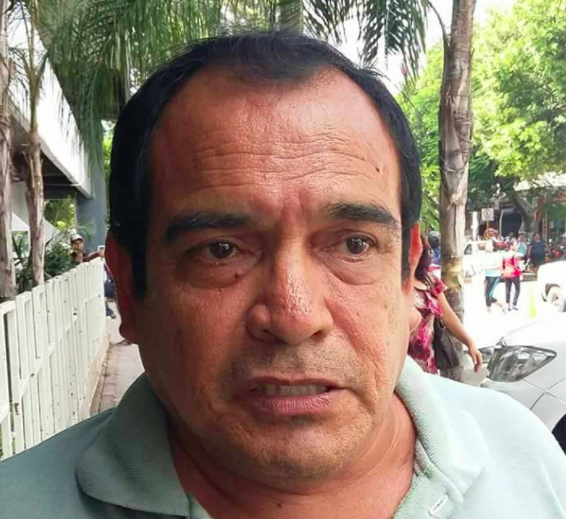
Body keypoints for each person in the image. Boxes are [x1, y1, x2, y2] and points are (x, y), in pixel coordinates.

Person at [1, 32, 565, 519]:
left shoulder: (526, 457)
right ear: (128, 288)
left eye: (353, 244)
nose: (295, 317)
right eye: (221, 250)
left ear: (407, 275)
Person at [409, 236, 482, 376]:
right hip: (401, 369)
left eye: (421, 248)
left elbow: (447, 316)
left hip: (428, 368)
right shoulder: (393, 284)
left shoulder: (429, 280)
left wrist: (470, 343)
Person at [483, 239, 505, 313]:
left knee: (488, 294)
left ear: (493, 246)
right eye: (486, 244)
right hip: (487, 276)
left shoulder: (497, 255)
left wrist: (487, 268)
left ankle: (488, 310)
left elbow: (499, 266)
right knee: (487, 295)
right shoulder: (484, 255)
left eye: (489, 244)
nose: (487, 245)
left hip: (494, 276)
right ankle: (502, 306)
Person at [502, 239, 522, 311]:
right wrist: (521, 274)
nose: (517, 246)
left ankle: (507, 304)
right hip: (514, 273)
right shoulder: (515, 254)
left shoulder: (505, 254)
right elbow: (516, 265)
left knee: (507, 290)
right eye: (515, 245)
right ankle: (514, 304)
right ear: (511, 246)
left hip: (507, 273)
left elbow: (503, 264)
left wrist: (503, 272)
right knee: (518, 289)